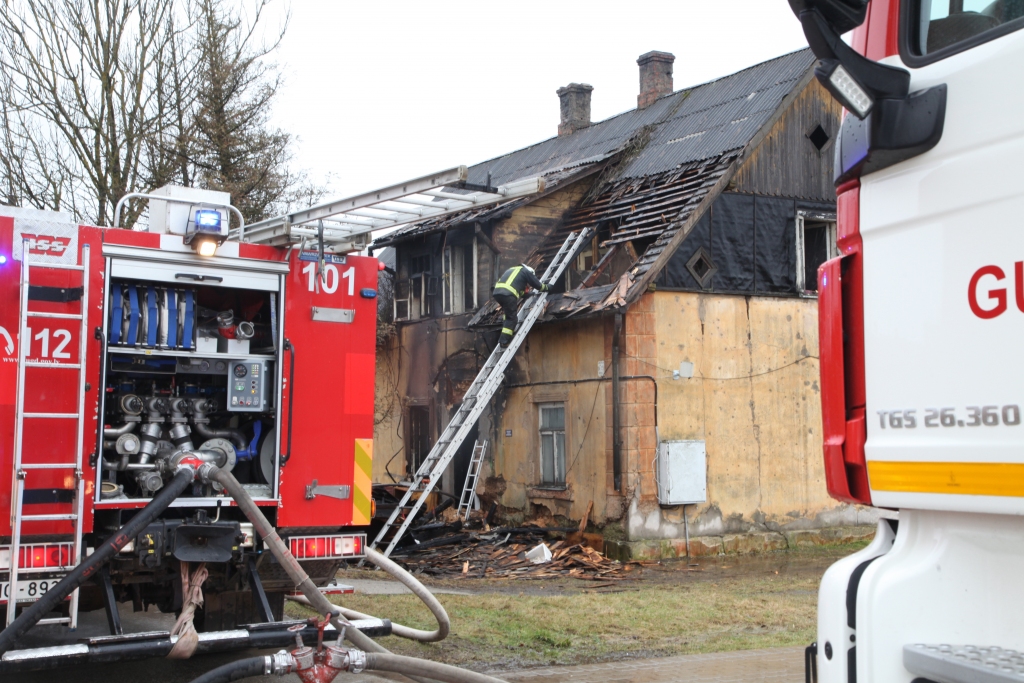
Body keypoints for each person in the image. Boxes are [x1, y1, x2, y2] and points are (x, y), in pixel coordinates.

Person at [492, 264, 548, 347]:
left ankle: (508, 333)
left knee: (507, 316)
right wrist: (548, 287)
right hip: (508, 295)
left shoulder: (512, 270)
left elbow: (519, 291)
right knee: (512, 318)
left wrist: (528, 294)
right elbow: (538, 285)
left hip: (497, 293)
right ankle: (504, 341)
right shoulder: (526, 271)